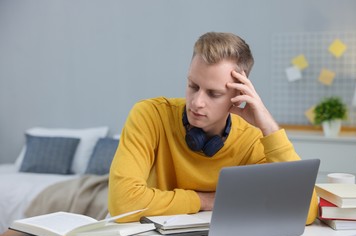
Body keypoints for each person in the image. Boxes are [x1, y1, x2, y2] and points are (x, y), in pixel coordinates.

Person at [108, 32, 318, 225]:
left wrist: (270, 129)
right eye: (193, 86)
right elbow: (122, 202)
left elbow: (305, 211)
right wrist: (204, 200)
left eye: (213, 94)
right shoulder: (150, 115)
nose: (197, 102)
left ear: (237, 95)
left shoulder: (252, 139)